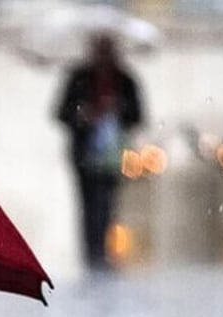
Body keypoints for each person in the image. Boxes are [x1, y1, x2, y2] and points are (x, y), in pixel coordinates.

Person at [56, 33, 143, 271]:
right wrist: (82, 115)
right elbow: (61, 112)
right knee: (87, 205)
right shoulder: (78, 78)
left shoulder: (125, 80)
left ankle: (104, 252)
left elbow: (137, 115)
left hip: (113, 154)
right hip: (84, 153)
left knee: (106, 204)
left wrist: (118, 109)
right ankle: (91, 255)